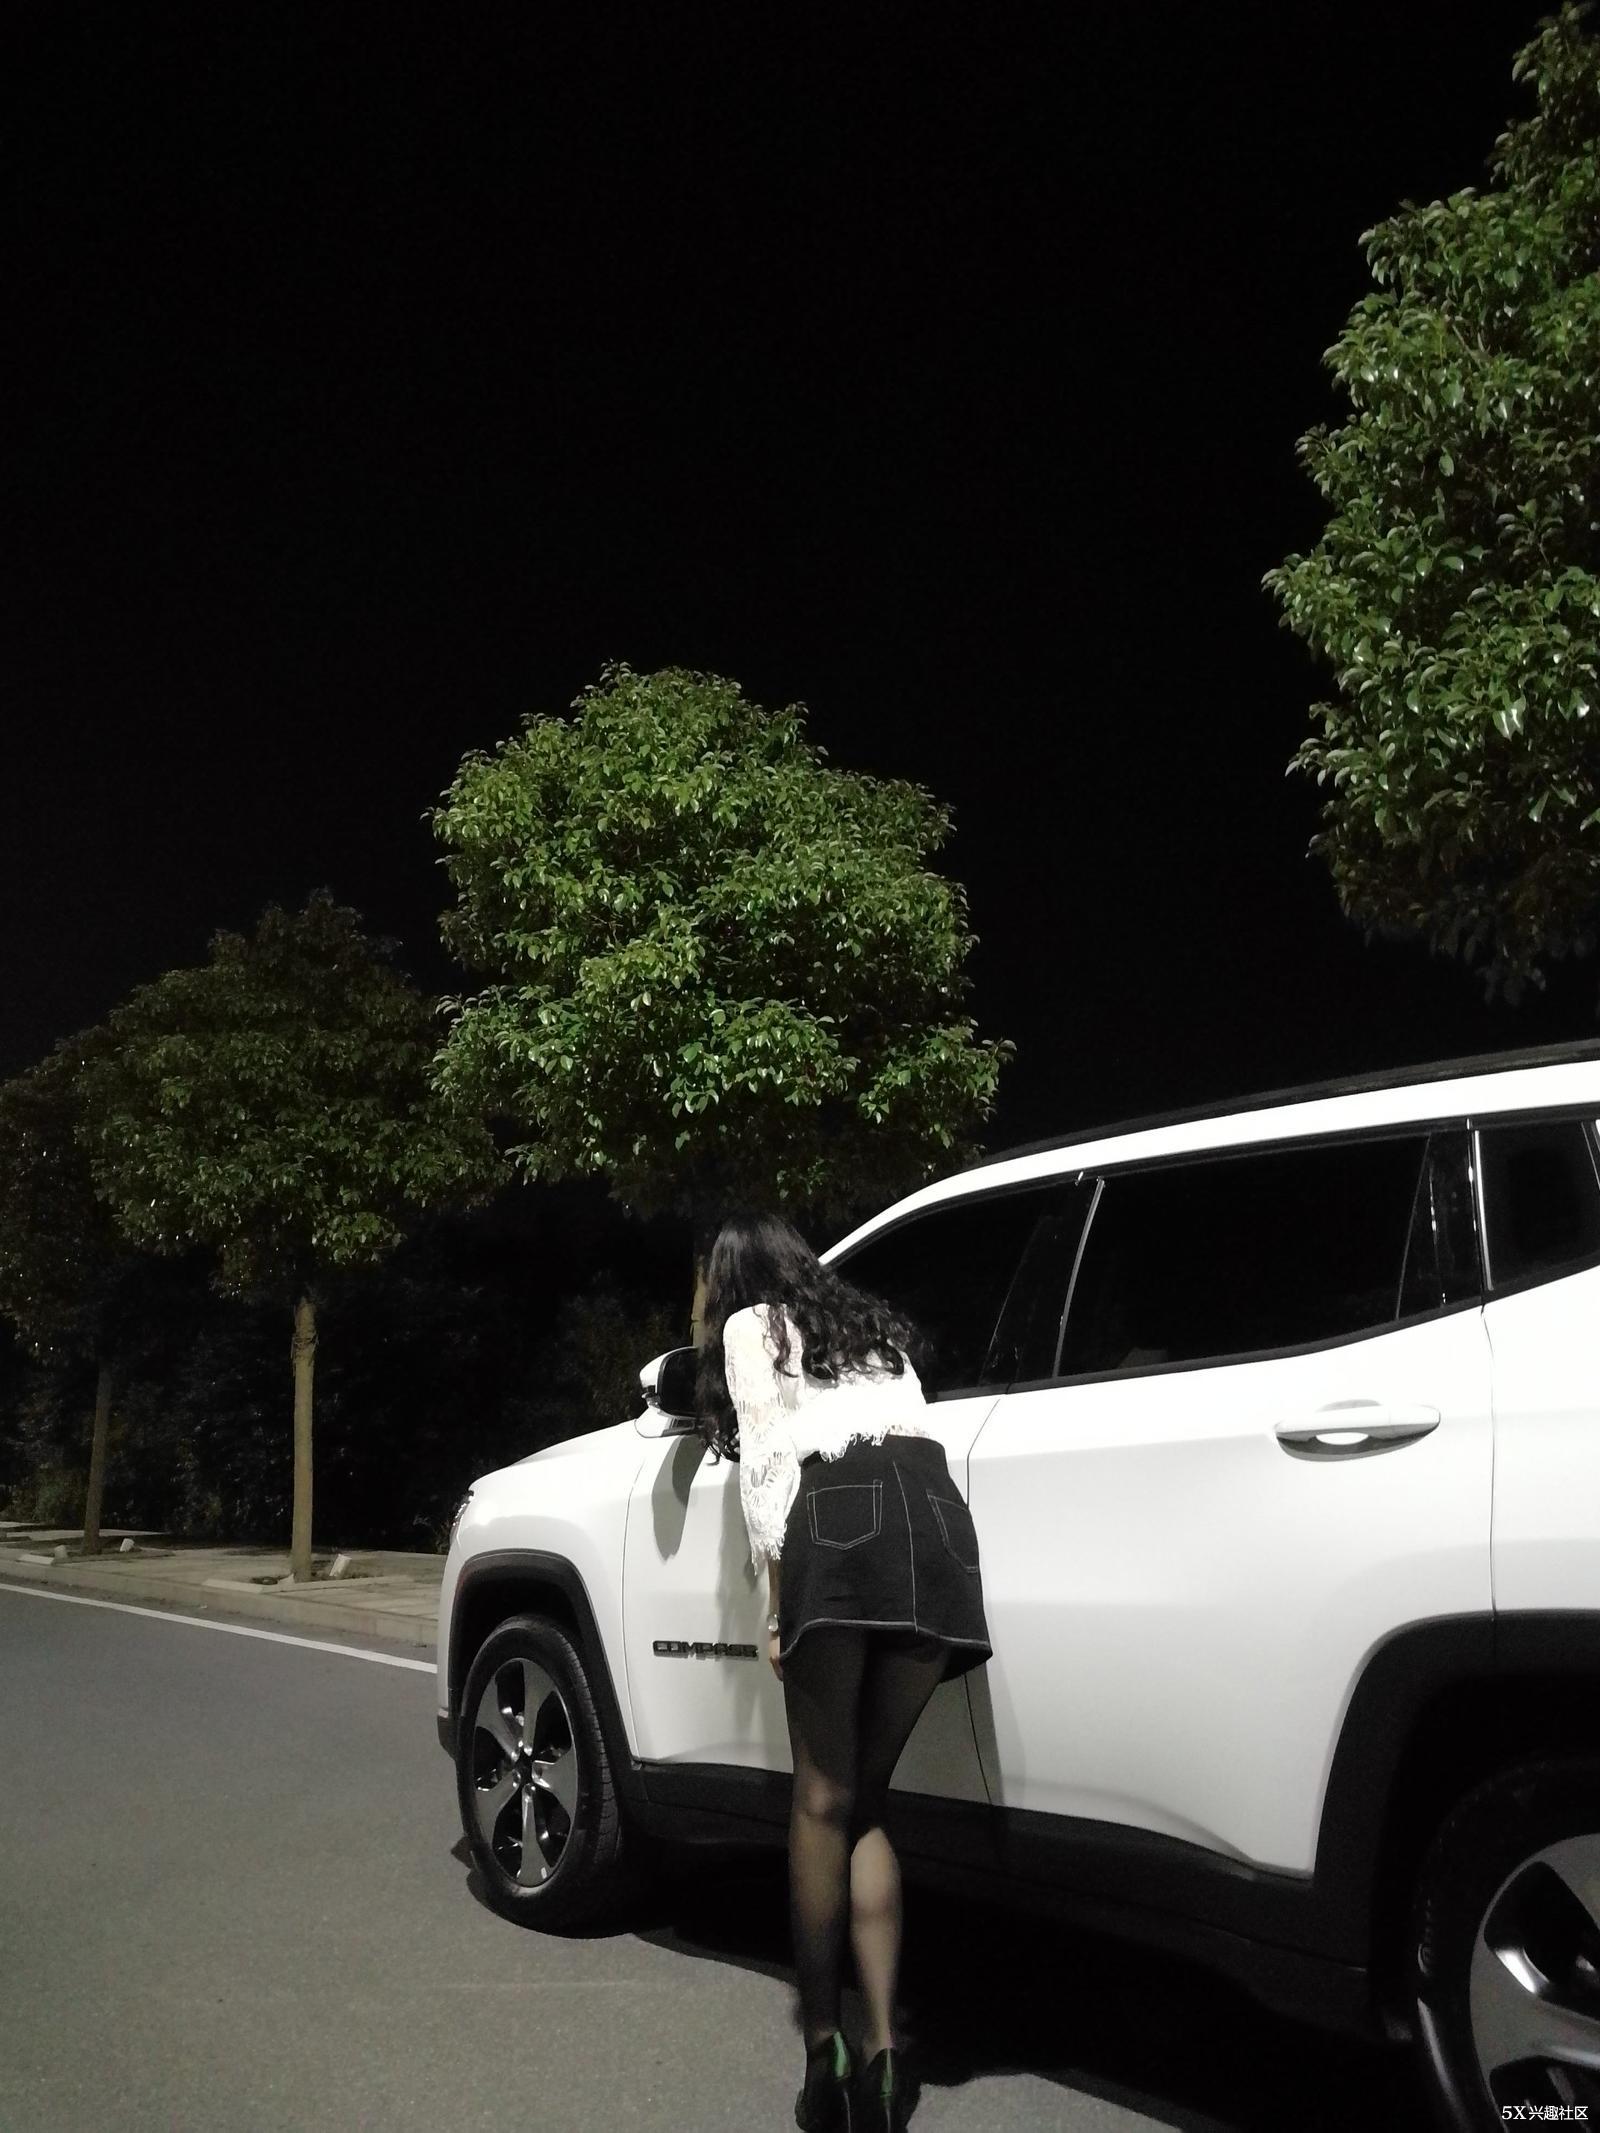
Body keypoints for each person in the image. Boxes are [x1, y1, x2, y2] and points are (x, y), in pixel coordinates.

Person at [697, 1210, 993, 2133]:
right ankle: (888, 2057)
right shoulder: (875, 1329)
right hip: (936, 1526)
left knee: (820, 1801)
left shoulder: (752, 1327)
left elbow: (766, 1466)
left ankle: (824, 2048)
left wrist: (776, 1603)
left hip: (839, 1518)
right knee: (867, 1799)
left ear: (734, 1275)